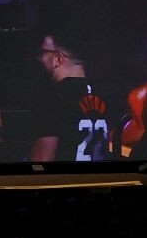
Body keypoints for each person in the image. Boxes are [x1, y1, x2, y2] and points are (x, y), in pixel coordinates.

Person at [27, 29, 111, 164]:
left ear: (58, 58)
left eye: (42, 52)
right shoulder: (104, 95)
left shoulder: (51, 97)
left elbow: (42, 161)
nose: (39, 58)